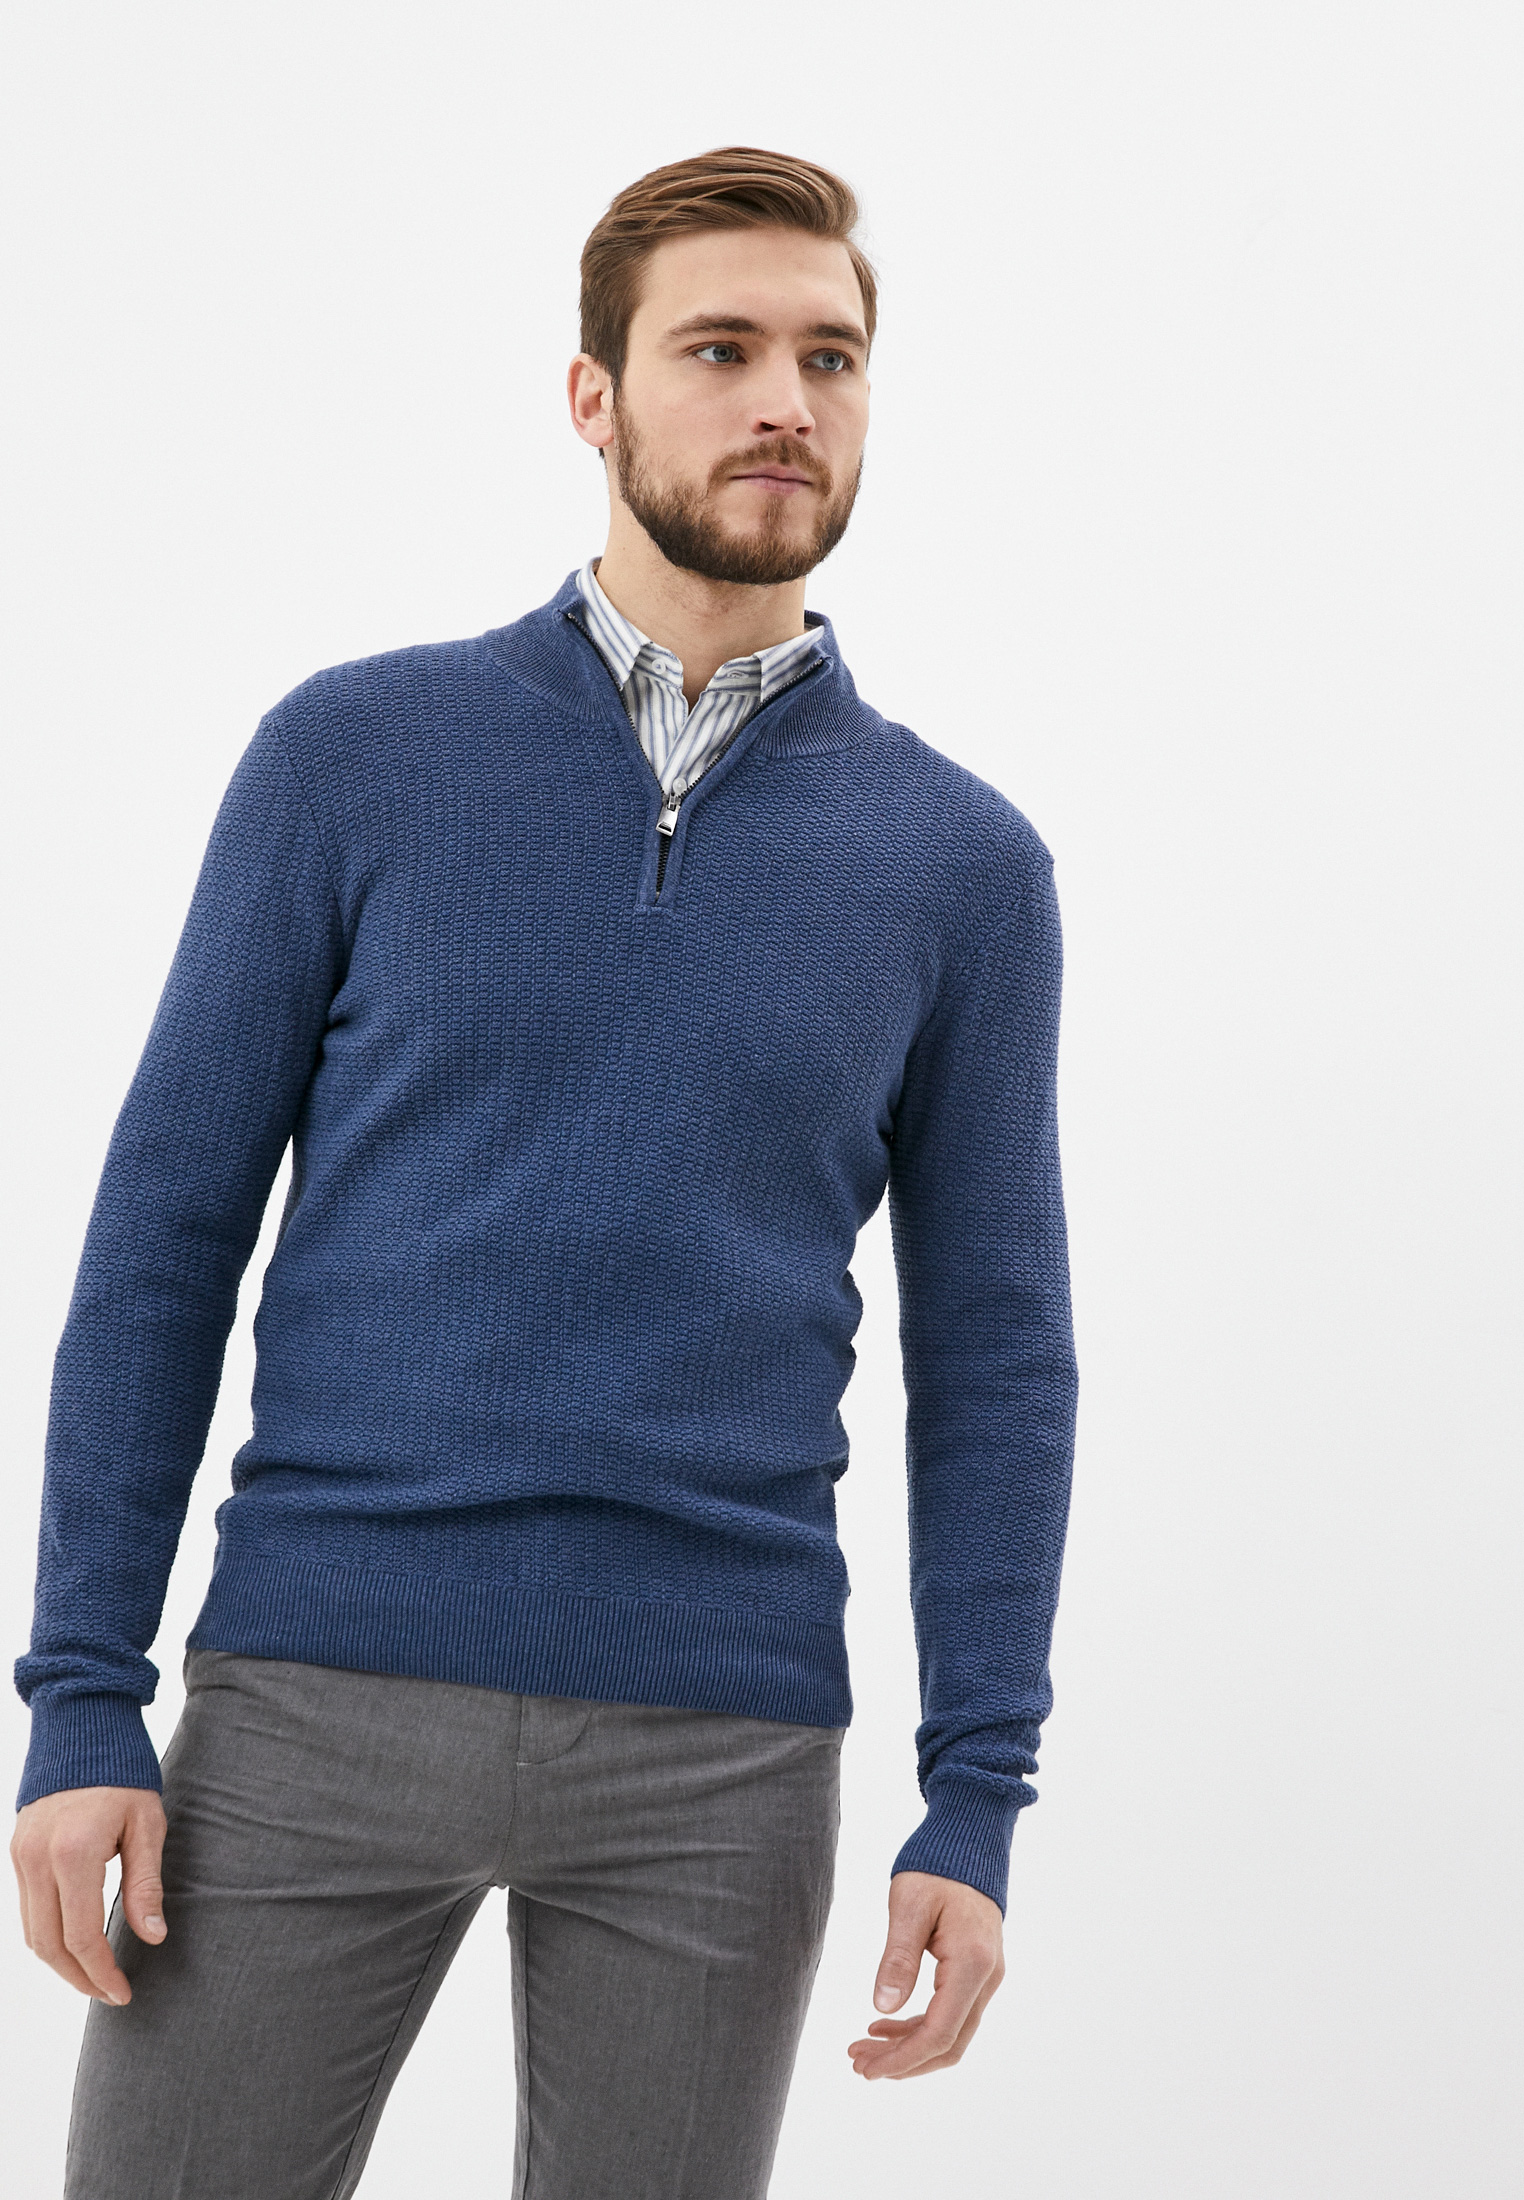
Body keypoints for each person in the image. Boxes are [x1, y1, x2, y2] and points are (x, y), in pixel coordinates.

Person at [10, 146, 1079, 2200]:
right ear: (595, 397)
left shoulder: (963, 868)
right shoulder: (353, 757)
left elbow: (999, 1356)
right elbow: (162, 1239)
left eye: (830, 357)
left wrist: (978, 1797)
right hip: (309, 1695)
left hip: (722, 1753)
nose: (785, 400)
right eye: (721, 349)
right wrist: (79, 1698)